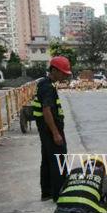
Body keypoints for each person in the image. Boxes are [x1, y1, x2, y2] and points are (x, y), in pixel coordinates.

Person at [31, 56, 70, 202]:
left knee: (47, 160)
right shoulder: (47, 87)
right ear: (54, 70)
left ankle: (46, 192)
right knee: (58, 161)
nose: (65, 75)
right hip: (50, 130)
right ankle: (59, 194)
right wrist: (55, 133)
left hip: (45, 130)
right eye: (62, 72)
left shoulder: (44, 83)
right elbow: (46, 110)